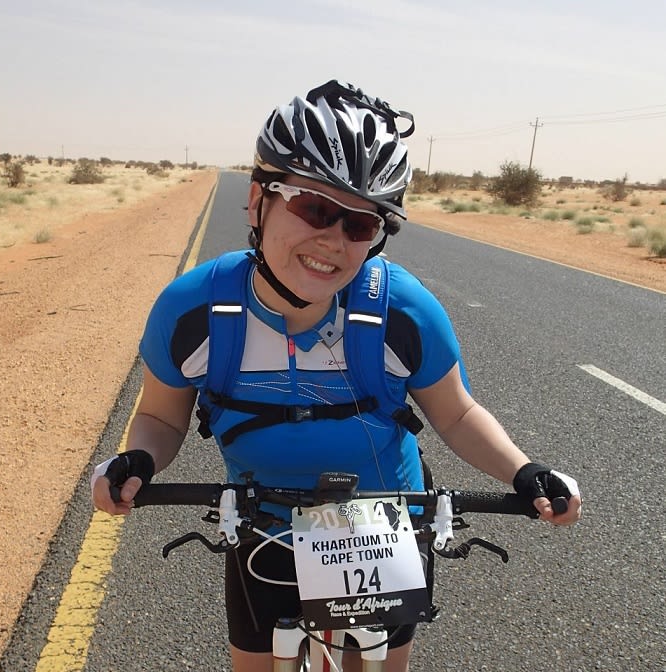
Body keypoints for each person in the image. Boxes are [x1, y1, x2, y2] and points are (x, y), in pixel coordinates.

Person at [92, 80, 582, 672]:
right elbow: (159, 417)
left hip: (383, 527)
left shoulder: (402, 311)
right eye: (315, 208)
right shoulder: (194, 311)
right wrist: (137, 460)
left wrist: (525, 471)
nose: (333, 242)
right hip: (262, 525)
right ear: (258, 199)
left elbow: (456, 414)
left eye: (360, 225)